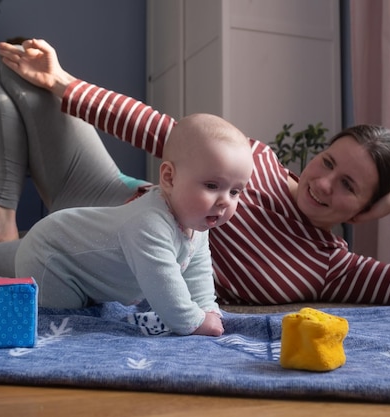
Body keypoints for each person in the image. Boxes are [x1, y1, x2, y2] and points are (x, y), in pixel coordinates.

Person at [0, 39, 390, 307]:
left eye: (348, 186)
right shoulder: (260, 161)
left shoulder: (332, 268)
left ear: (364, 210)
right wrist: (63, 82)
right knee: (15, 62)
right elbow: (162, 129)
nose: (321, 183)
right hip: (102, 192)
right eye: (327, 163)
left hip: (82, 263)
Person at [15, 112, 253, 336]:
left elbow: (198, 273)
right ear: (169, 178)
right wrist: (194, 321)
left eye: (235, 192)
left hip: (87, 274)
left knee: (92, 311)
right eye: (212, 186)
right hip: (51, 256)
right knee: (63, 322)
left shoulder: (196, 225)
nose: (224, 201)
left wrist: (208, 309)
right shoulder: (149, 223)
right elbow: (164, 286)